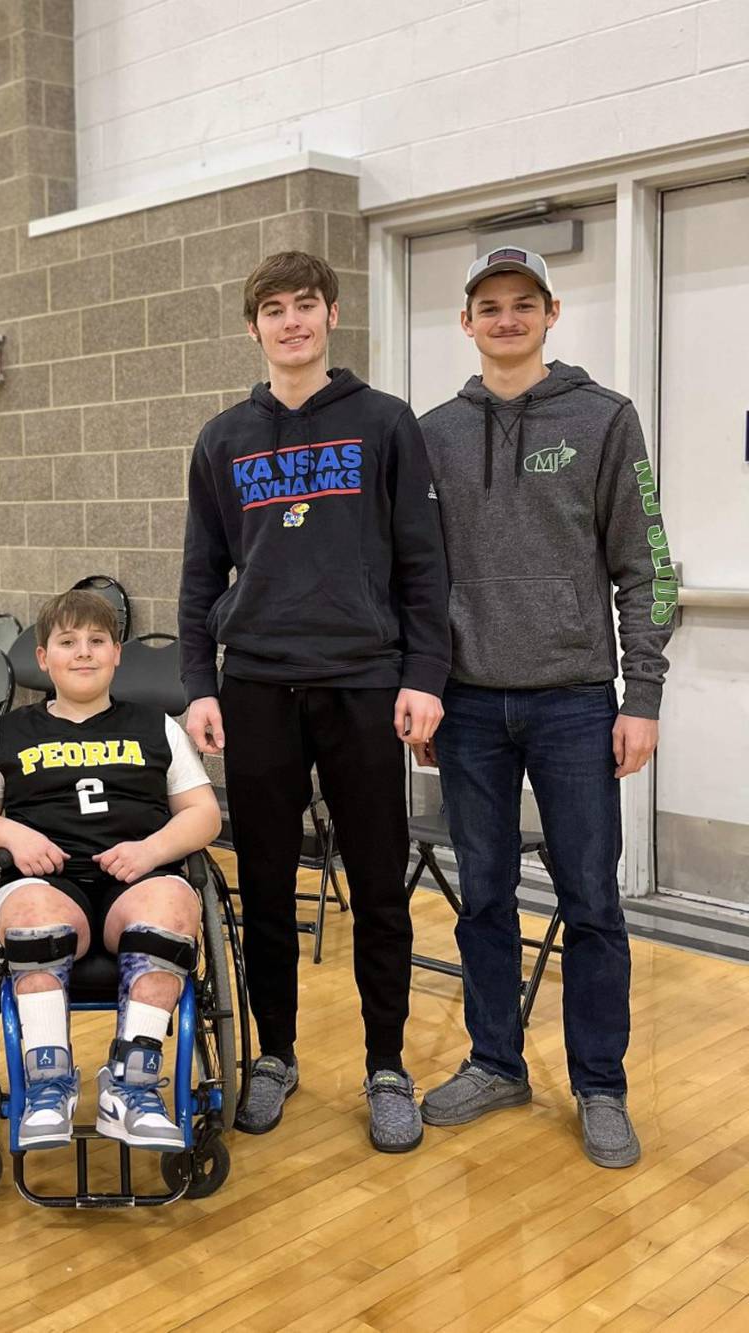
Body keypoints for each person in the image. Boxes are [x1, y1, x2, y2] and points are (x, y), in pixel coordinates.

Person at [178, 250, 451, 1153]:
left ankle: (386, 1066)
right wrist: (198, 685)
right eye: (273, 309)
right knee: (264, 886)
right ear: (252, 326)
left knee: (378, 885)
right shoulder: (223, 437)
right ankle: (276, 1055)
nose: (291, 321)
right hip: (255, 686)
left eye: (306, 305)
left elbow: (423, 563)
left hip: (366, 682)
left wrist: (424, 676)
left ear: (333, 315)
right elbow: (196, 576)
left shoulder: (384, 423)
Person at [415, 247, 676, 1169]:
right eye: (490, 306)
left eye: (524, 304)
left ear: (551, 312)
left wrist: (639, 695)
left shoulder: (605, 419)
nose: (507, 318)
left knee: (592, 900)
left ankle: (601, 1084)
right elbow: (418, 577)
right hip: (471, 706)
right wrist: (427, 690)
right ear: (467, 321)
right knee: (482, 897)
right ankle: (495, 1061)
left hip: (574, 702)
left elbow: (647, 564)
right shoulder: (434, 431)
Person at [0, 590, 221, 1150]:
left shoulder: (157, 727)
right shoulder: (10, 732)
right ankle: (48, 1084)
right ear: (43, 657)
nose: (84, 653)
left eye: (97, 642)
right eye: (68, 643)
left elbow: (204, 814)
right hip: (45, 884)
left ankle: (132, 1086)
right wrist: (11, 833)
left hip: (138, 882)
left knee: (172, 909)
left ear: (116, 654)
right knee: (33, 916)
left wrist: (151, 850)